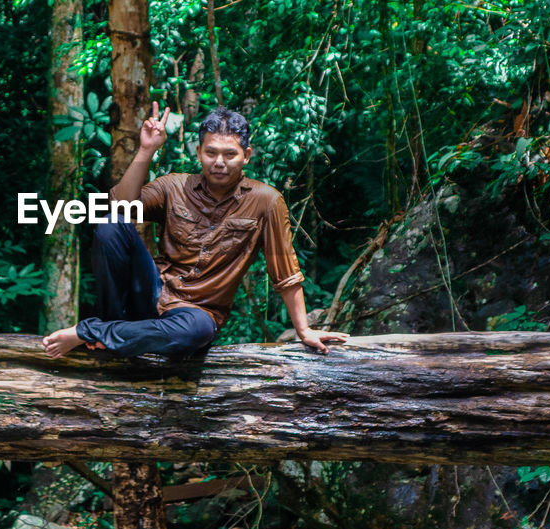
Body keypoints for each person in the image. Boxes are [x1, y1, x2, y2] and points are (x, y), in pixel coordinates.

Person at [42, 103, 349, 359]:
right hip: (151, 294)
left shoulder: (266, 202)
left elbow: (285, 272)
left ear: (247, 155)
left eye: (230, 155)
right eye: (211, 152)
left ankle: (93, 333)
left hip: (197, 314)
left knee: (196, 333)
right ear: (198, 151)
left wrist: (304, 330)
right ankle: (112, 330)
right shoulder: (174, 185)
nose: (219, 162)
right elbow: (121, 205)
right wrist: (146, 150)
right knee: (110, 225)